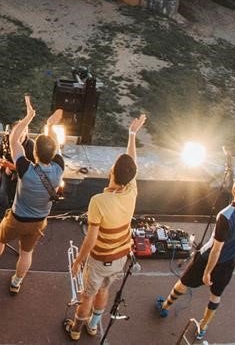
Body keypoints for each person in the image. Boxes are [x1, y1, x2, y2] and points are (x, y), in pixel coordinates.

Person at [155, 131, 235, 342]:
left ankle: (165, 306)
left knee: (184, 282)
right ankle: (203, 327)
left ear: (234, 188)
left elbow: (216, 249)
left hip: (209, 260)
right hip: (230, 261)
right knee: (216, 295)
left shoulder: (225, 216)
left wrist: (207, 273)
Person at [64, 114, 146, 340]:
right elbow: (133, 163)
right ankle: (94, 324)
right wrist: (132, 134)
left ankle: (75, 330)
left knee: (86, 296)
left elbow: (90, 240)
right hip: (120, 257)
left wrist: (78, 261)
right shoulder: (131, 191)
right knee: (104, 291)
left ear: (111, 173)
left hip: (99, 259)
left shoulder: (99, 201)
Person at [0, 96, 64, 295]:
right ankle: (16, 282)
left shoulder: (25, 169)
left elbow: (13, 139)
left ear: (34, 154)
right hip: (40, 220)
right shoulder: (59, 167)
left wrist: (28, 117)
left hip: (18, 218)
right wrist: (50, 126)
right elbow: (56, 146)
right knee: (26, 253)